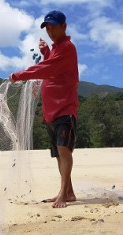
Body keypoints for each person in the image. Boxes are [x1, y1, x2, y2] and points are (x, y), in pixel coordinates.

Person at [9, 10, 79, 208]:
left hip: (65, 108)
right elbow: (53, 67)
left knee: (64, 150)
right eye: (48, 28)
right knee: (58, 152)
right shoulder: (57, 49)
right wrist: (46, 52)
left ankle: (62, 195)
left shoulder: (67, 48)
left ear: (64, 26)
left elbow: (46, 69)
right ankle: (69, 192)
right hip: (51, 111)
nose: (51, 32)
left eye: (54, 27)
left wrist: (19, 75)